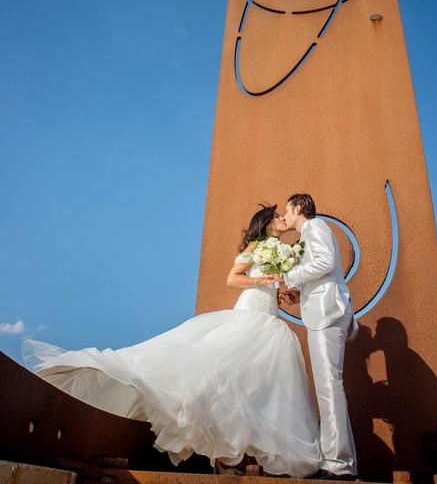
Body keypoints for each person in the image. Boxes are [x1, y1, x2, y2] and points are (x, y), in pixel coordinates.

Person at [23, 204, 321, 478]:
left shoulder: (283, 250)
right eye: (278, 216)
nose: (283, 218)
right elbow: (233, 277)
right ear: (267, 223)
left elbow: (272, 284)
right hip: (249, 315)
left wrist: (282, 293)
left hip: (269, 317)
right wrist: (262, 282)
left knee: (254, 383)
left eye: (285, 215)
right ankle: (224, 454)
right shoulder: (257, 246)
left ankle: (240, 454)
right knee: (219, 374)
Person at [279, 193, 358, 481]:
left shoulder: (316, 227)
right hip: (320, 311)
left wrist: (289, 277)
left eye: (286, 210)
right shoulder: (308, 234)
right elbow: (325, 272)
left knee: (328, 385)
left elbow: (326, 262)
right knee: (328, 387)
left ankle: (338, 464)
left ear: (299, 208)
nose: (284, 216)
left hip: (327, 314)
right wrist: (300, 292)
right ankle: (341, 461)